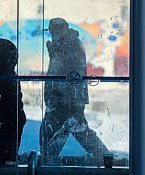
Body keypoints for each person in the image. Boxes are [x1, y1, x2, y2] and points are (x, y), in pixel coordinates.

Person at [40, 17, 109, 165]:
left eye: (55, 32)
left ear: (63, 31)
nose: (53, 35)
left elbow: (76, 76)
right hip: (59, 99)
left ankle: (46, 164)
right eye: (52, 33)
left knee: (53, 133)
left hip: (66, 100)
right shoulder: (61, 46)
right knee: (77, 131)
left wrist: (77, 102)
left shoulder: (72, 46)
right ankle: (106, 158)